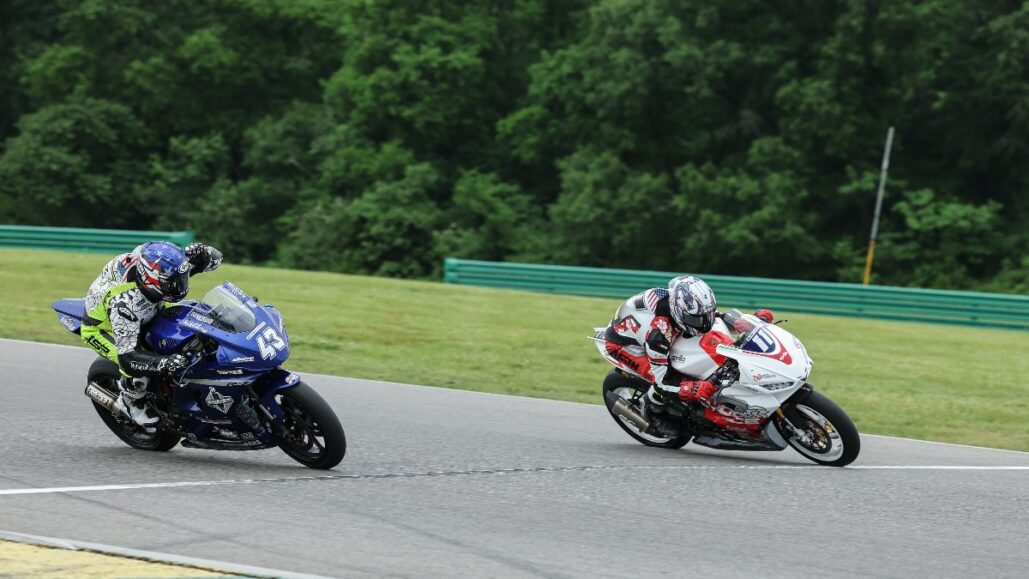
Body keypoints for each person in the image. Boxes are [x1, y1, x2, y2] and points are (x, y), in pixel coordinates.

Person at [602, 275, 773, 435]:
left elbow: (711, 314)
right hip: (625, 346)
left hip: (644, 325)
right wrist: (690, 388)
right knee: (663, 379)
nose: (705, 324)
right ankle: (653, 413)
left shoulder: (687, 303)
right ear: (679, 313)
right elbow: (662, 380)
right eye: (697, 320)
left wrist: (744, 323)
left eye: (706, 316)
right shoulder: (659, 334)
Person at [81, 241, 222, 428]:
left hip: (146, 306)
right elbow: (128, 357)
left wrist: (203, 254)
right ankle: (130, 401)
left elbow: (216, 258)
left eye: (181, 279)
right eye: (174, 283)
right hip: (103, 327)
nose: (180, 286)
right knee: (139, 370)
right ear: (152, 282)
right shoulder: (125, 305)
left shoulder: (163, 267)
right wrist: (163, 362)